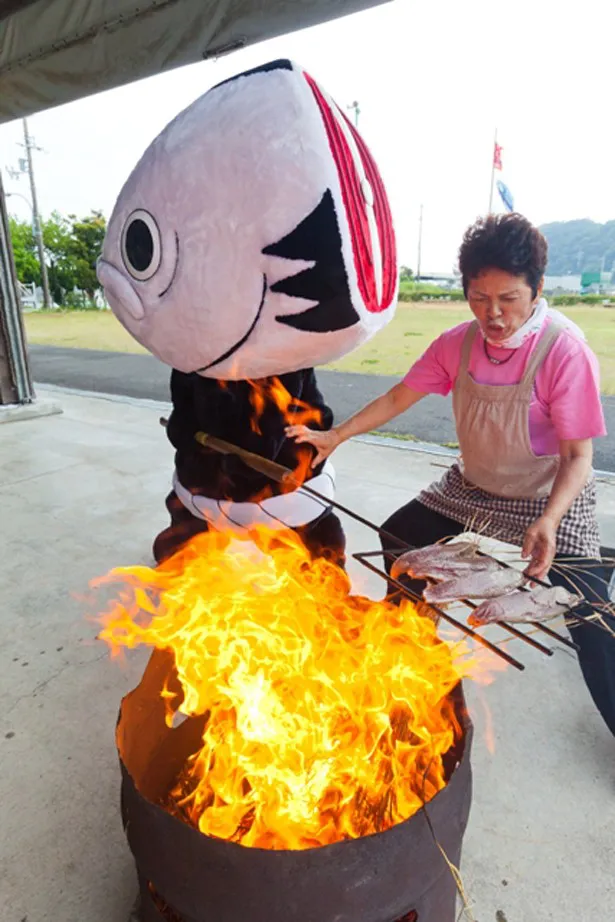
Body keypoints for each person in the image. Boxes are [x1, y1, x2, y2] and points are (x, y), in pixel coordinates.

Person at [287, 213, 615, 737]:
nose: (494, 315)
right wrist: (334, 436)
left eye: (508, 299)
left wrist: (550, 520)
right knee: (399, 534)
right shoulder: (456, 345)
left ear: (536, 290)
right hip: (475, 485)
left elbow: (579, 458)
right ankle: (408, 649)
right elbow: (399, 396)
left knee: (593, 613)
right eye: (480, 299)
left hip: (549, 492)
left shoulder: (563, 351)